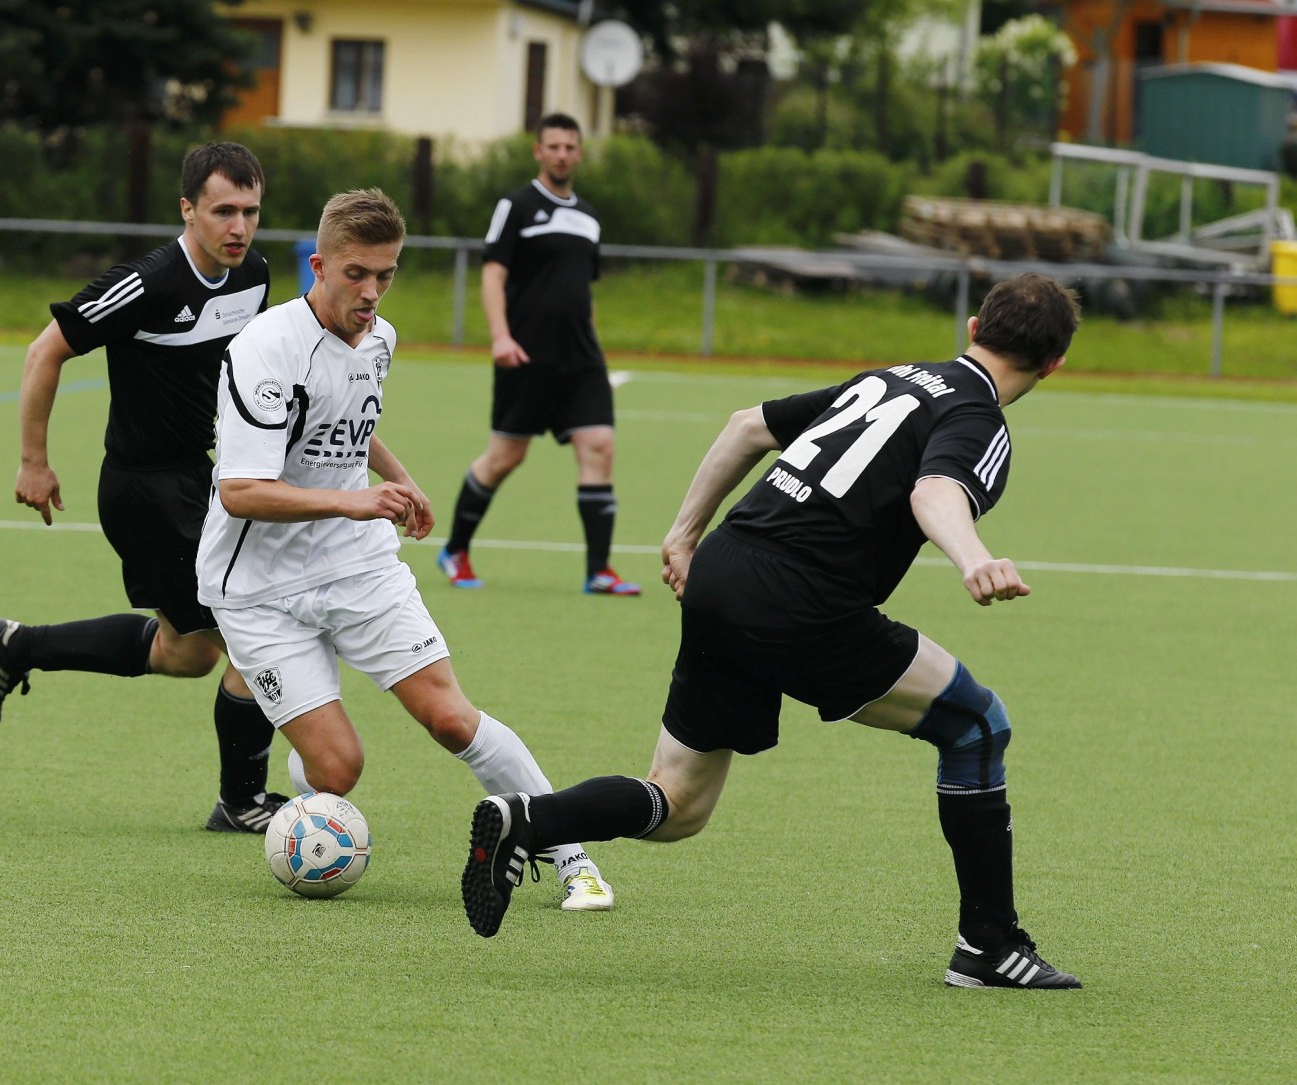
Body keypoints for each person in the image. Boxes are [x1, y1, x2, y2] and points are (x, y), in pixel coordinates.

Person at [461, 274, 1084, 988]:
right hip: (800, 600)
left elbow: (746, 426)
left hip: (724, 570)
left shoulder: (894, 378)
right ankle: (988, 945)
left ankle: (526, 818)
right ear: (1055, 364)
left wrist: (684, 533)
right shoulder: (980, 418)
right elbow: (934, 490)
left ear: (974, 326)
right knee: (976, 726)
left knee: (678, 803)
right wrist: (973, 558)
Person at [198, 187, 613, 913]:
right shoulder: (265, 347)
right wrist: (358, 498)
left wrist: (397, 476)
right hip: (256, 586)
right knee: (336, 767)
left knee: (451, 715)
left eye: (385, 275)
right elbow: (241, 490)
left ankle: (571, 853)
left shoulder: (379, 338)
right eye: (356, 274)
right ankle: (310, 793)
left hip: (356, 563)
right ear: (318, 265)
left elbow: (349, 418)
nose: (371, 292)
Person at [0, 142, 287, 834]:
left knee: (188, 653)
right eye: (223, 210)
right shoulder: (146, 282)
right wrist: (33, 460)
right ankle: (241, 803)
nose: (238, 226)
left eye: (250, 211)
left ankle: (17, 646)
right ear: (188, 209)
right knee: (257, 632)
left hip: (203, 480)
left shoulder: (254, 276)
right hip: (145, 493)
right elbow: (43, 351)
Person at [436, 113, 639, 596]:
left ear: (580, 153)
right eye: (554, 146)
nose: (562, 154)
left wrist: (594, 345)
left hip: (581, 360)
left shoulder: (589, 217)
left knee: (600, 448)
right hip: (525, 356)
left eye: (571, 146)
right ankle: (456, 550)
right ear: (538, 151)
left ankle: (599, 571)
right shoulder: (517, 206)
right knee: (505, 457)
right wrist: (500, 337)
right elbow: (493, 275)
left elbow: (582, 293)